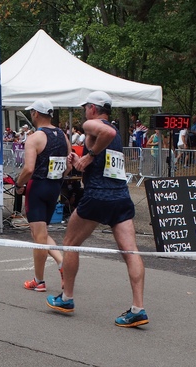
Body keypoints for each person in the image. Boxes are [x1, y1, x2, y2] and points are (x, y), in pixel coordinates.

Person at [46, 90, 148, 327]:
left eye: (85, 108)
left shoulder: (95, 125)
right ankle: (138, 308)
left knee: (70, 244)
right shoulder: (115, 132)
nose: (84, 112)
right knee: (131, 251)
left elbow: (105, 136)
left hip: (98, 196)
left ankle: (67, 298)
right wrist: (80, 161)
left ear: (93, 108)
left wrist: (89, 156)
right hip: (121, 196)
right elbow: (104, 157)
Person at [14, 99, 71, 292]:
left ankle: (39, 281)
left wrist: (18, 184)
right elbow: (68, 165)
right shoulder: (62, 135)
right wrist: (58, 180)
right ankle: (61, 262)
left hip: (37, 187)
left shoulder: (35, 137)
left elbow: (29, 168)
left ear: (36, 114)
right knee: (42, 233)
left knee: (38, 236)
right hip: (54, 187)